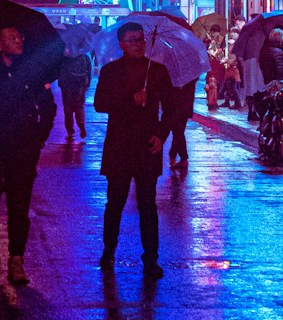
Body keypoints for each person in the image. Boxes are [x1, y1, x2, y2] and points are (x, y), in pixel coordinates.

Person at [0, 25, 56, 287]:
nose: (18, 40)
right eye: (11, 37)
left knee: (19, 206)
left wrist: (38, 138)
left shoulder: (33, 70)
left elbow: (48, 107)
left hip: (23, 147)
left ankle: (17, 260)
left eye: (20, 36)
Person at [93, 22, 172, 277]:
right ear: (121, 44)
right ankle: (108, 251)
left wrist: (161, 135)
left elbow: (171, 110)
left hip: (147, 146)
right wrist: (130, 99)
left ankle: (151, 258)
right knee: (114, 202)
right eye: (132, 40)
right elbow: (100, 104)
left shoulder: (158, 71)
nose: (138, 44)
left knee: (148, 205)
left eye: (140, 39)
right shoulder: (110, 71)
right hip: (119, 145)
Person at [58, 47, 92, 142]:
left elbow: (60, 70)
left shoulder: (65, 55)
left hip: (67, 86)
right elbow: (89, 70)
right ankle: (81, 124)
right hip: (80, 85)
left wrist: (61, 83)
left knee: (68, 109)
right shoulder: (85, 55)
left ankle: (71, 133)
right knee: (79, 106)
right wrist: (87, 83)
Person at [166, 78, 196, 167]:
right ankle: (173, 155)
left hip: (179, 107)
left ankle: (183, 158)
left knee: (177, 131)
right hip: (184, 107)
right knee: (178, 131)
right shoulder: (191, 76)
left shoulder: (181, 78)